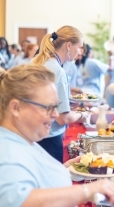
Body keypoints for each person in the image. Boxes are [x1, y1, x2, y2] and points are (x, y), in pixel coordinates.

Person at [0, 64, 114, 206]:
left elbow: (35, 178)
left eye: (56, 107)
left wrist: (65, 169)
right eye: (48, 107)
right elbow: (17, 201)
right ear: (16, 108)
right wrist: (85, 191)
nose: (55, 114)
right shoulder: (7, 154)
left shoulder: (22, 138)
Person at [32, 26, 89, 163]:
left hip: (32, 136)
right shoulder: (58, 70)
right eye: (80, 47)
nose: (80, 52)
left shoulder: (37, 62)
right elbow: (63, 119)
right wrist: (82, 115)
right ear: (69, 45)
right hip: (49, 139)